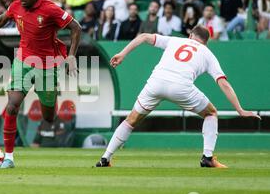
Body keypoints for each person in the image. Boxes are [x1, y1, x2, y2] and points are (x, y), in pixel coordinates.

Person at [95, 26, 261, 168]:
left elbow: (145, 36)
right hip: (181, 87)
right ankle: (207, 158)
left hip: (156, 83)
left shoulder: (175, 40)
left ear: (190, 36)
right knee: (211, 113)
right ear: (205, 41)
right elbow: (223, 83)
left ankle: (105, 158)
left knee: (130, 120)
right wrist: (240, 109)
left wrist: (123, 54)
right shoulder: (207, 53)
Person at [0, 0, 82, 168]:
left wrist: (71, 56)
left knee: (48, 117)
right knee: (12, 105)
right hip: (23, 61)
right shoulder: (15, 6)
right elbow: (0, 21)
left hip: (47, 66)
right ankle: (9, 157)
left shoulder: (50, 8)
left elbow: (76, 28)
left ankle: (50, 101)